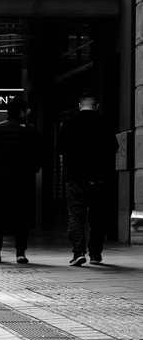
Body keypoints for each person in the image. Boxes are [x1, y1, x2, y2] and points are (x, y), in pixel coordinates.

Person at [0, 96, 43, 264]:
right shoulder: (31, 130)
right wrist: (30, 171)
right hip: (24, 181)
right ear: (21, 111)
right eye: (26, 110)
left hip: (2, 180)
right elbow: (39, 156)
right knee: (22, 216)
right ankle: (20, 252)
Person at [58, 92, 119, 266]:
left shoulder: (69, 124)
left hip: (75, 178)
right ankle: (95, 254)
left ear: (79, 105)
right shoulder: (105, 125)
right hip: (99, 178)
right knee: (98, 216)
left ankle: (78, 252)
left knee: (76, 216)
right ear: (97, 106)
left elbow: (60, 149)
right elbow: (113, 148)